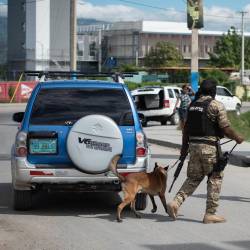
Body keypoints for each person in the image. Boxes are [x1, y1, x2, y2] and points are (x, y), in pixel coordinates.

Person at [167, 79, 244, 224]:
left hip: (193, 147)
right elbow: (225, 128)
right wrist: (237, 137)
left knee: (193, 178)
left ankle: (176, 202)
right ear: (214, 92)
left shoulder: (192, 105)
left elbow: (185, 131)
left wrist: (184, 151)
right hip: (209, 148)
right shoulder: (216, 105)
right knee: (215, 178)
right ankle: (210, 214)